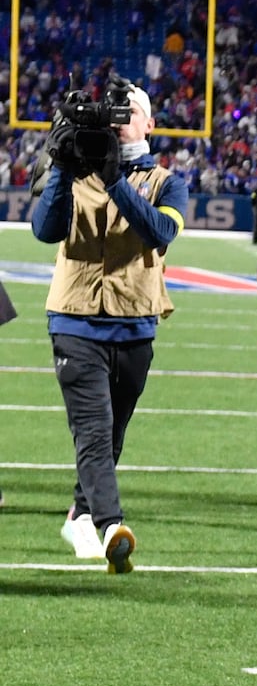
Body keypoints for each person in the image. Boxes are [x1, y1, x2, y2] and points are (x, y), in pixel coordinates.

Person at [31, 80, 186, 573]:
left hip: (136, 323)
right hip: (75, 320)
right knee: (94, 431)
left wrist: (116, 179)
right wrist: (60, 164)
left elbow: (160, 233)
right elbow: (45, 230)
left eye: (130, 110)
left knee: (111, 435)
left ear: (149, 123)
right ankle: (111, 525)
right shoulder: (72, 171)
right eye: (113, 113)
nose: (120, 119)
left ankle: (78, 513)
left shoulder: (166, 182)